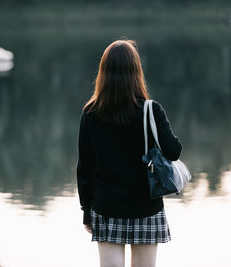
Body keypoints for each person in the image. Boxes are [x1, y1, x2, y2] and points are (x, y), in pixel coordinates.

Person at [76, 39, 182, 267]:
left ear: (103, 73)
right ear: (136, 72)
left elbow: (83, 168)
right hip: (145, 206)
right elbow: (174, 152)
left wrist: (87, 212)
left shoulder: (91, 113)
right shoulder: (150, 110)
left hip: (106, 207)